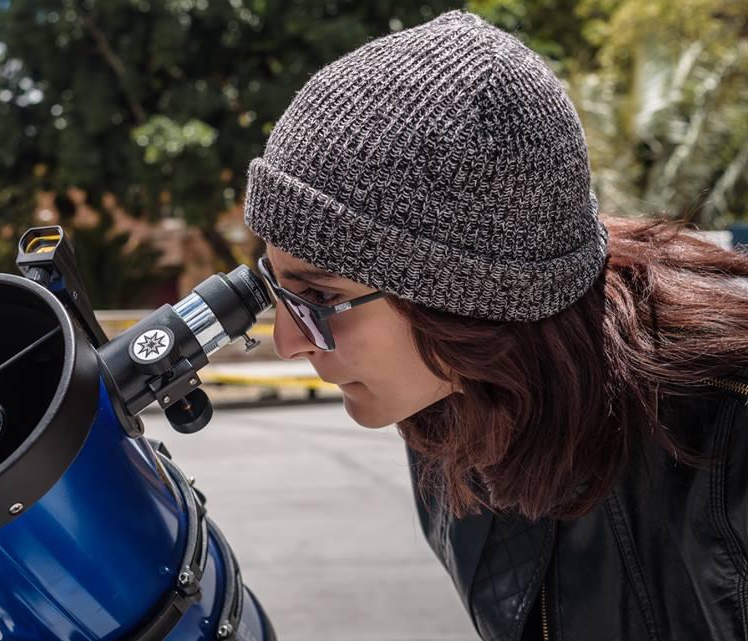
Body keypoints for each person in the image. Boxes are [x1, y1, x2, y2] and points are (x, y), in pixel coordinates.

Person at [242, 10, 748, 641]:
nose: (289, 343)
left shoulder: (731, 431)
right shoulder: (443, 411)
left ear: (469, 296)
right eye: (276, 289)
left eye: (319, 295)